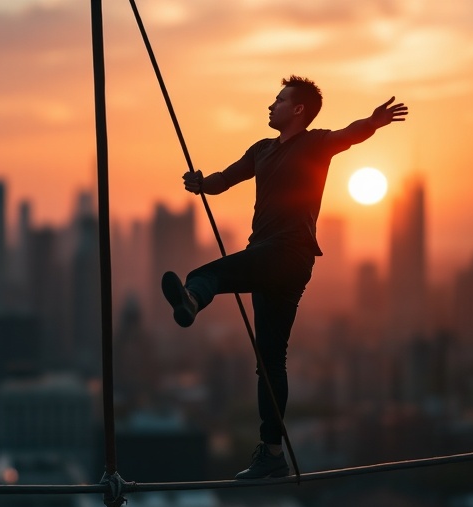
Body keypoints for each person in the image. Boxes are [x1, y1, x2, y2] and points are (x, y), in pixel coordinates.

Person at [161, 75, 408, 479]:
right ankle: (272, 453)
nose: (270, 106)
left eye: (278, 100)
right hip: (270, 258)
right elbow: (224, 180)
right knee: (270, 360)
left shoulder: (315, 144)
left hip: (288, 252)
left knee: (207, 274)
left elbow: (350, 134)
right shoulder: (261, 151)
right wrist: (200, 184)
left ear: (297, 110)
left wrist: (374, 121)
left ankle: (192, 299)